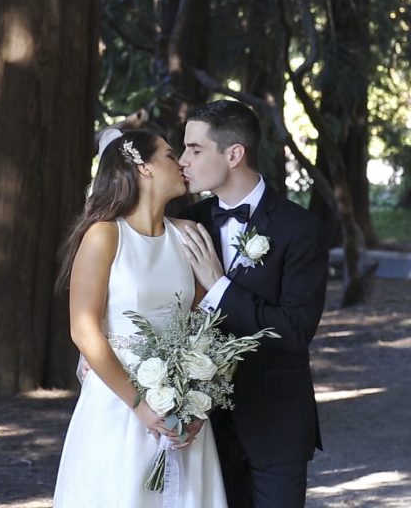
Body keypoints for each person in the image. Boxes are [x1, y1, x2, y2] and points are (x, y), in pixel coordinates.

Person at [53, 129, 227, 507]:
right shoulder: (104, 236)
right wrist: (141, 406)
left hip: (182, 402)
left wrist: (201, 401)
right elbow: (84, 328)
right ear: (143, 168)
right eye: (169, 154)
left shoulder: (187, 236)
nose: (181, 162)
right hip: (119, 402)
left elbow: (204, 322)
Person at [176, 99, 327, 508]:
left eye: (194, 149)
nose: (182, 160)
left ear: (234, 154)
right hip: (202, 426)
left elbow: (295, 331)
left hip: (276, 422)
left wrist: (220, 287)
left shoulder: (302, 229)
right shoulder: (185, 223)